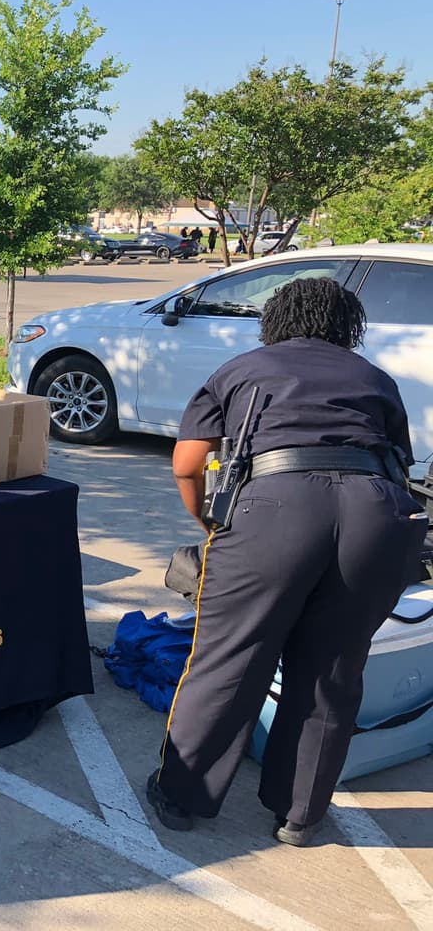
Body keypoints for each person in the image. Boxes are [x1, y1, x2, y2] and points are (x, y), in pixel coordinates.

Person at [146, 277, 428, 847]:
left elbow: (188, 461)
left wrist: (208, 522)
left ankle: (182, 795)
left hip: (276, 505)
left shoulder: (243, 369)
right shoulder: (374, 378)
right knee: (333, 669)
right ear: (348, 327)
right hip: (376, 516)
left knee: (231, 658)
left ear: (273, 321)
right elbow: (399, 461)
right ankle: (300, 814)